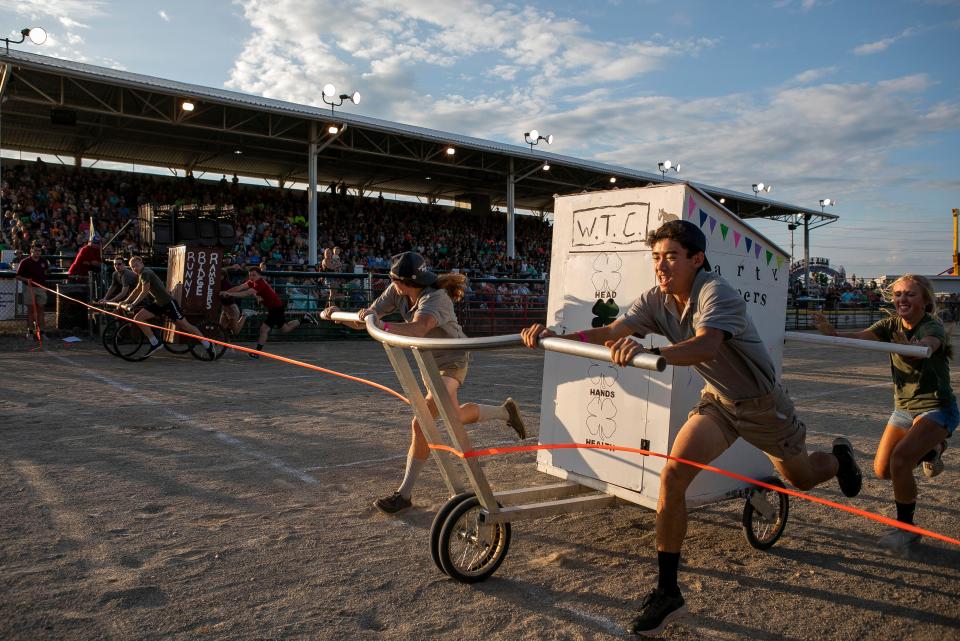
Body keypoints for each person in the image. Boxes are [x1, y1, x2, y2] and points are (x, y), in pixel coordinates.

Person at [521, 220, 863, 637]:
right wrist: (558, 336)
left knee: (803, 478)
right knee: (673, 475)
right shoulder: (656, 298)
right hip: (718, 403)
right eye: (655, 258)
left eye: (670, 257)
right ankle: (668, 592)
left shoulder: (715, 293)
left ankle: (840, 457)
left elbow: (706, 345)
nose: (661, 266)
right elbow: (612, 332)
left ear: (696, 259)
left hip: (762, 407)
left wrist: (653, 350)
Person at [325, 251, 527, 514]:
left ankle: (405, 494)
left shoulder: (436, 299)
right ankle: (504, 411)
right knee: (452, 415)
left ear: (403, 281)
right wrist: (338, 314)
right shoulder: (397, 291)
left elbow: (418, 329)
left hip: (452, 360)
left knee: (422, 422)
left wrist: (379, 325)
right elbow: (371, 318)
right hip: (428, 363)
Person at [813, 274, 956, 550]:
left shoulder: (932, 326)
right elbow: (859, 339)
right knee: (883, 470)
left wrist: (910, 348)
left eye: (910, 294)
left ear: (925, 300)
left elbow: (926, 347)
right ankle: (932, 449)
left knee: (901, 460)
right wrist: (833, 334)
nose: (902, 298)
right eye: (899, 293)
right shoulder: (890, 324)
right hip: (903, 408)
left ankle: (907, 528)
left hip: (937, 408)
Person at [120, 256, 214, 359]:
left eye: (136, 265)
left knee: (185, 326)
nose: (135, 268)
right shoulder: (142, 274)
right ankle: (155, 342)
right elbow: (137, 289)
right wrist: (126, 301)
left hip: (169, 303)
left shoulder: (146, 273)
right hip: (159, 303)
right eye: (132, 267)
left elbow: (144, 291)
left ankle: (207, 344)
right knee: (138, 318)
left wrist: (133, 304)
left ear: (142, 263)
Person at [225, 266, 316, 359]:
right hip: (275, 308)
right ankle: (305, 318)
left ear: (259, 275)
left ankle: (256, 353)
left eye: (254, 275)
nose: (251, 277)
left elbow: (246, 293)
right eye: (250, 275)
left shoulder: (260, 283)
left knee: (264, 329)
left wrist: (230, 294)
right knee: (285, 329)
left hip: (276, 308)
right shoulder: (252, 282)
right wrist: (225, 292)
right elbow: (240, 287)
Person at [15, 242, 49, 339]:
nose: (38, 252)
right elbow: (18, 276)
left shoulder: (44, 262)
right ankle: (30, 332)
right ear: (31, 250)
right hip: (29, 288)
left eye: (39, 250)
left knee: (41, 309)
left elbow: (46, 272)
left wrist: (44, 286)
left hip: (41, 288)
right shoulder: (25, 262)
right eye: (36, 250)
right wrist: (26, 280)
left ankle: (42, 332)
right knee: (30, 310)